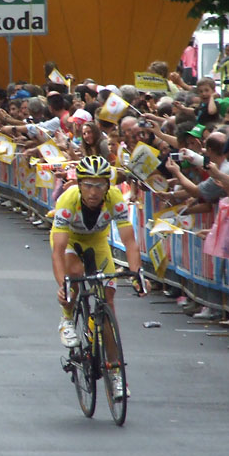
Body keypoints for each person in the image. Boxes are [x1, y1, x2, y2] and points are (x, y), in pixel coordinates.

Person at [51, 156, 149, 400]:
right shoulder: (67, 200)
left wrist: (137, 274)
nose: (93, 192)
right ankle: (67, 320)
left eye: (100, 185)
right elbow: (58, 251)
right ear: (79, 184)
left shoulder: (115, 199)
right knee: (74, 274)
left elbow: (130, 241)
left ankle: (115, 374)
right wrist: (62, 285)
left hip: (97, 241)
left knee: (108, 302)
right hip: (70, 241)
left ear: (108, 186)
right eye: (88, 185)